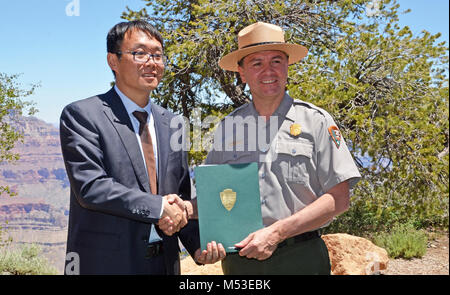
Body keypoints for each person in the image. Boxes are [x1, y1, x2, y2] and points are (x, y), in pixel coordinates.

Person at [60, 20, 221, 275]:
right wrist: (158, 207)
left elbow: (179, 195)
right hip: (107, 265)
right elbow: (91, 187)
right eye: (140, 53)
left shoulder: (175, 124)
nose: (152, 62)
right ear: (113, 61)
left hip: (165, 265)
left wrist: (198, 247)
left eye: (158, 55)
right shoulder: (82, 115)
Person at [205, 22, 362, 274]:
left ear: (287, 67)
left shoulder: (317, 121)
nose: (268, 70)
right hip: (240, 262)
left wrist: (277, 233)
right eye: (257, 63)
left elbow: (340, 198)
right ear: (242, 73)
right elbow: (212, 192)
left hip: (301, 258)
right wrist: (183, 210)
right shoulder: (228, 128)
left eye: (277, 61)